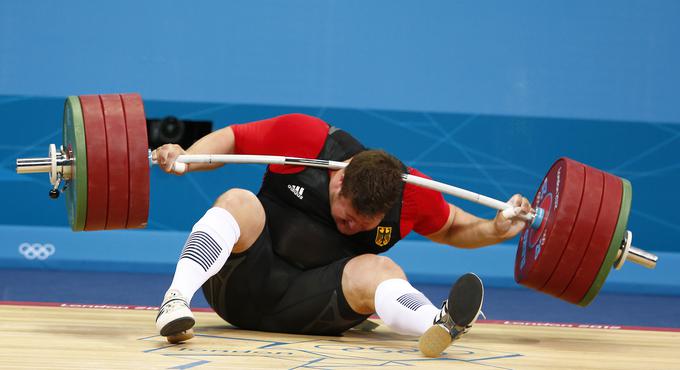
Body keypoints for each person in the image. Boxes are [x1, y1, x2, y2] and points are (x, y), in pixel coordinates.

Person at [152, 113, 532, 357]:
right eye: (345, 214)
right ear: (339, 180)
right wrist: (188, 157)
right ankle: (175, 300)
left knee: (380, 267)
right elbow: (234, 138)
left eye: (360, 224)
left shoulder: (412, 192)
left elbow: (452, 227)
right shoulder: (305, 138)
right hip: (237, 286)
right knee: (239, 201)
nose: (348, 226)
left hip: (315, 307)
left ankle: (438, 323)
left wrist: (497, 228)